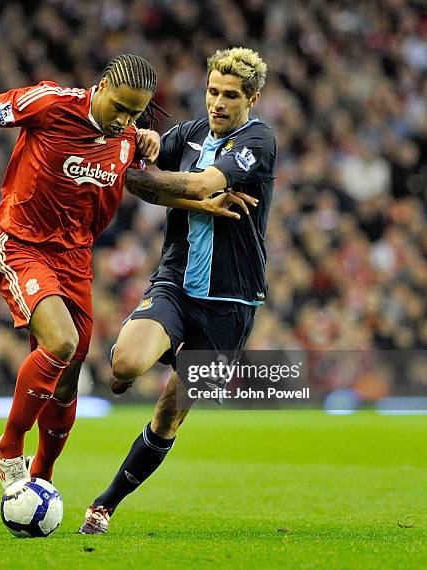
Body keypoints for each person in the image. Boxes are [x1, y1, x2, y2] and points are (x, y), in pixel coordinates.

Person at [0, 54, 250, 490]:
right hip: (24, 246)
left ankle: (42, 477)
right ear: (103, 86)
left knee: (68, 382)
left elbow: (143, 186)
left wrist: (199, 204)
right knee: (62, 342)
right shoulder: (50, 103)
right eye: (120, 106)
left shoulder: (127, 139)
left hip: (76, 263)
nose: (123, 119)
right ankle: (9, 447)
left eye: (135, 112)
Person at [80, 47, 275, 534]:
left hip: (232, 304)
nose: (218, 103)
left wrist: (179, 188)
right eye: (213, 91)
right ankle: (153, 354)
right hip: (176, 283)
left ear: (252, 98)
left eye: (231, 95)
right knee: (122, 367)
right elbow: (132, 176)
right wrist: (159, 166)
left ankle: (105, 505)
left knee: (170, 413)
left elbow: (202, 182)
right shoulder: (186, 134)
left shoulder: (258, 139)